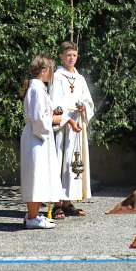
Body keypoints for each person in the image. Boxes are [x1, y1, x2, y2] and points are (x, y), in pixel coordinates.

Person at [20, 55, 75, 229]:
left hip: (40, 137)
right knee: (35, 177)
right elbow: (39, 118)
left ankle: (34, 215)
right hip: (36, 137)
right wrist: (58, 119)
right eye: (50, 70)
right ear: (44, 71)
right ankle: (32, 217)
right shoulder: (36, 89)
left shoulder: (39, 88)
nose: (51, 74)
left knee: (40, 176)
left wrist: (56, 115)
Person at [49, 42, 91, 218]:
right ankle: (57, 203)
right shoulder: (57, 76)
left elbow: (88, 101)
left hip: (77, 125)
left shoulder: (80, 79)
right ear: (61, 56)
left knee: (74, 163)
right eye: (68, 55)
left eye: (74, 55)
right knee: (60, 161)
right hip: (64, 126)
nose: (71, 58)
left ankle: (68, 201)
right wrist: (61, 110)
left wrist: (84, 108)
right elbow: (53, 99)